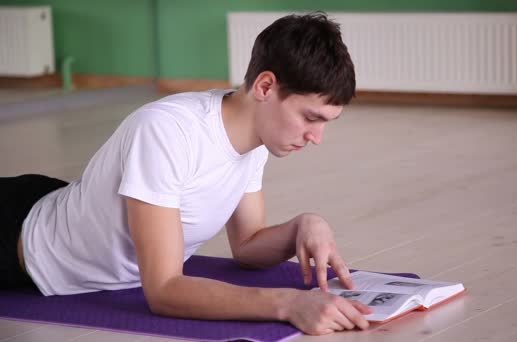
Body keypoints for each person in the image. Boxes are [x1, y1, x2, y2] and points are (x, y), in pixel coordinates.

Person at [0, 12, 373, 335]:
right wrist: (288, 303)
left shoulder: (256, 140)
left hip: (60, 206)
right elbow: (164, 290)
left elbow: (247, 247)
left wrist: (302, 226)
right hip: (16, 233)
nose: (316, 138)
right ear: (265, 86)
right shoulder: (166, 131)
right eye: (311, 118)